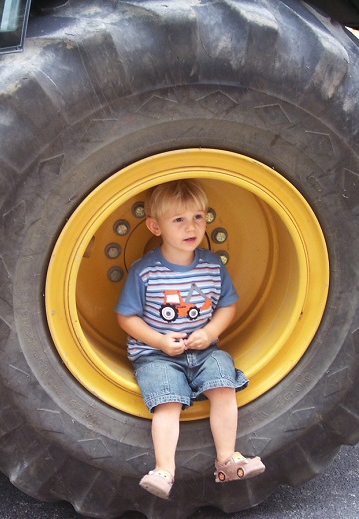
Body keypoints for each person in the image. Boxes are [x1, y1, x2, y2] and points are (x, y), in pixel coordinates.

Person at [115, 179, 265, 500]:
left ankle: (227, 460)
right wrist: (159, 341)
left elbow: (227, 305)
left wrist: (210, 333)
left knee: (223, 383)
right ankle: (164, 470)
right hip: (157, 354)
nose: (191, 227)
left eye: (198, 217)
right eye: (179, 220)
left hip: (203, 350)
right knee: (168, 401)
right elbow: (126, 318)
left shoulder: (212, 266)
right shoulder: (145, 272)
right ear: (155, 226)